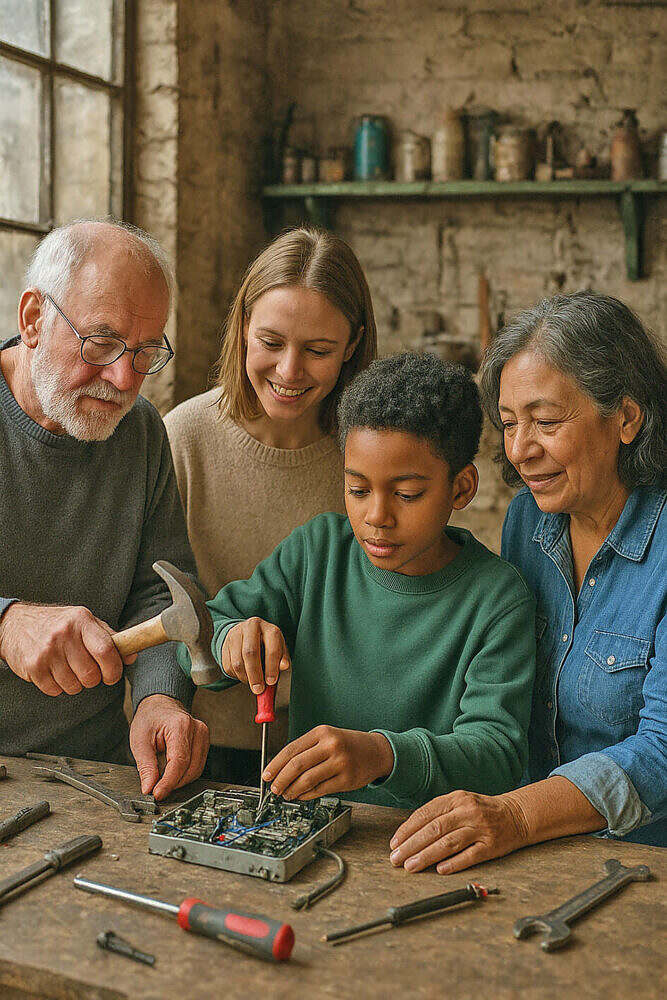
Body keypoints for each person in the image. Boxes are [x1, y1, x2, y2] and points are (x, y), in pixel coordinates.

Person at [177, 353, 536, 808]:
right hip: (307, 828)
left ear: (462, 488)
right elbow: (199, 630)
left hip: (425, 844)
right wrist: (231, 640)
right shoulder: (318, 552)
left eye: (407, 494)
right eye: (358, 490)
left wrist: (383, 755)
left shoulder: (498, 599)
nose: (376, 517)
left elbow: (497, 754)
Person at [389, 292, 666, 874]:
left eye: (545, 422)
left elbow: (661, 753)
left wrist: (515, 815)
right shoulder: (529, 521)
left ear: (625, 417)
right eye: (511, 424)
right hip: (533, 855)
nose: (519, 452)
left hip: (644, 866)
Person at [0, 219, 208, 800]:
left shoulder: (139, 430)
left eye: (144, 352)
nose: (122, 378)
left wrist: (158, 697)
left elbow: (160, 591)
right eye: (102, 343)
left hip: (96, 775)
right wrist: (6, 623)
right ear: (33, 319)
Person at [164, 227, 377, 780]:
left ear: (352, 346)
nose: (288, 371)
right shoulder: (182, 437)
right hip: (191, 744)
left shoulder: (368, 458)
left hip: (333, 756)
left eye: (318, 350)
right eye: (271, 342)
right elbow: (145, 597)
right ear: (242, 328)